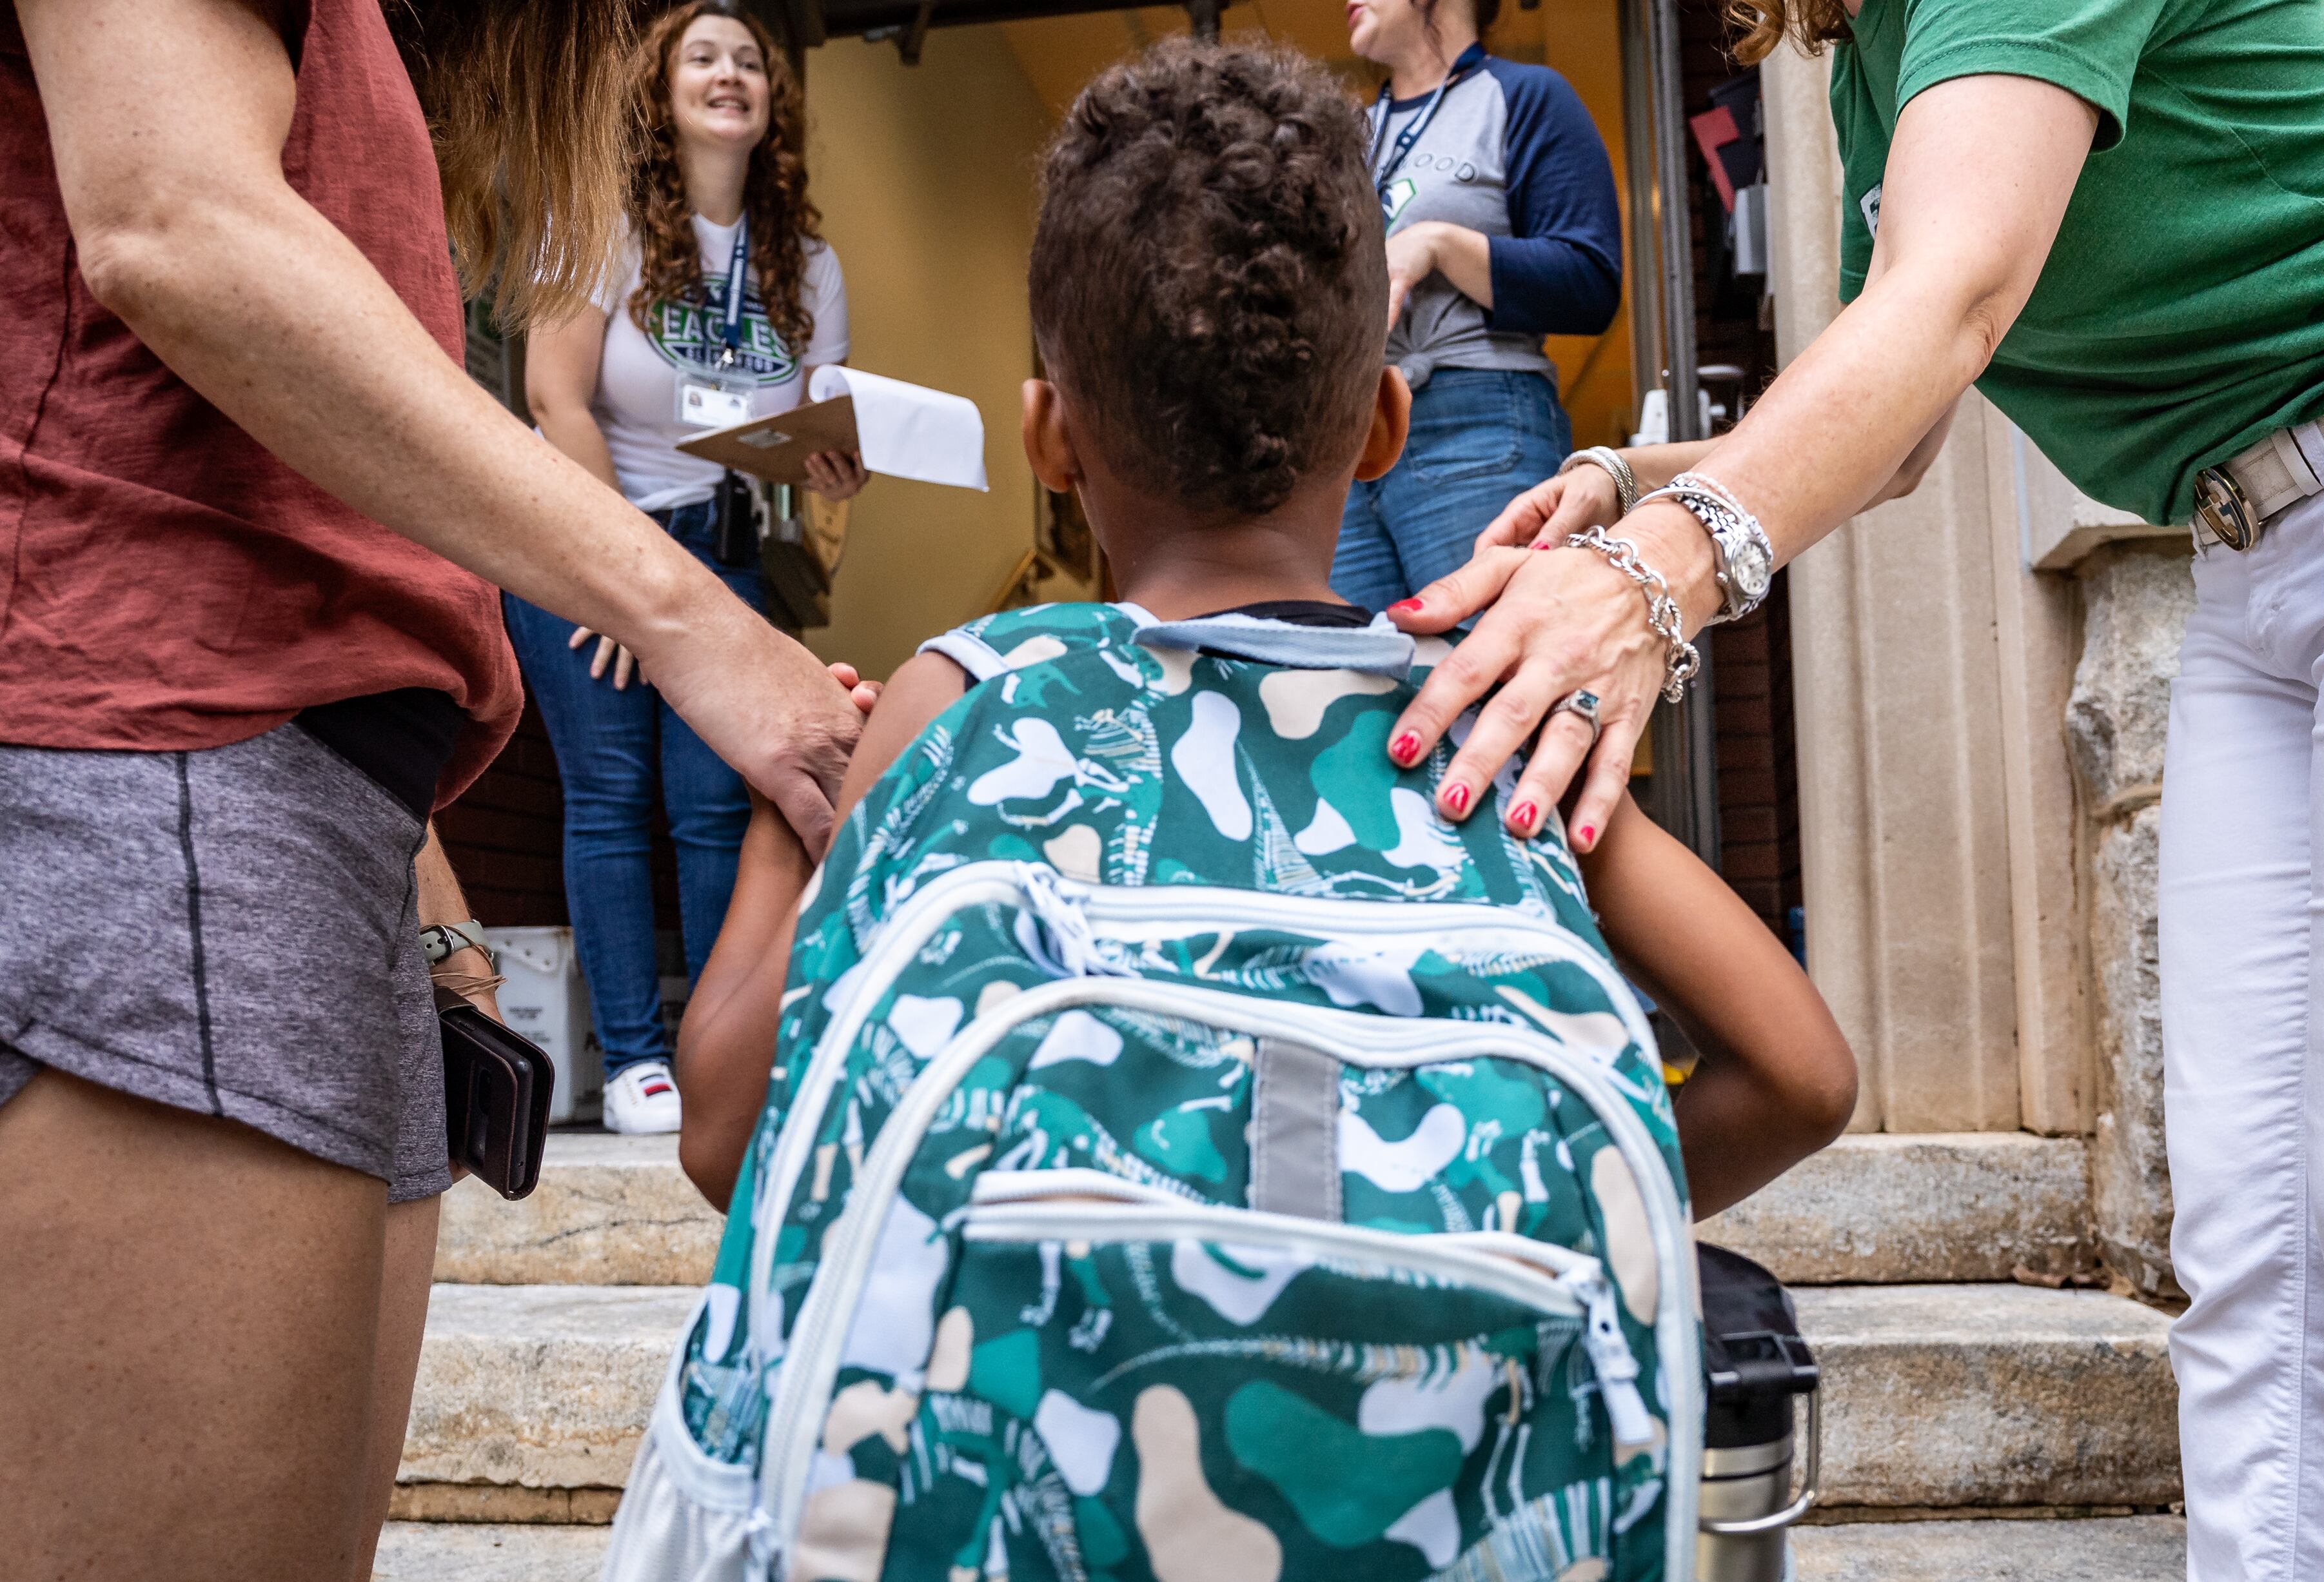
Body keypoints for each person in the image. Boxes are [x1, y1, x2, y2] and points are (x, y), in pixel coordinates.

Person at [1381, 0, 2324, 1574]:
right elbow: (1889, 425)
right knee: (2251, 1246)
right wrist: (1627, 487)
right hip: (2256, 548)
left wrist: (1654, 579)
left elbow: (1955, 298)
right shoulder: (1878, 50)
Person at [665, 40, 1855, 1232]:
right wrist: (1559, 1222)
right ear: (1386, 423)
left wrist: (789, 817)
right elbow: (1801, 1078)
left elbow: (726, 1137)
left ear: (1049, 440)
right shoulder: (1488, 719)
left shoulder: (960, 699)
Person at [0, 1, 863, 1577]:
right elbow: (171, 220)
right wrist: (691, 625)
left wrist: (425, 899)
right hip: (162, 790)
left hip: (299, 811)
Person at [521, 0, 867, 1137]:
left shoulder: (807, 266)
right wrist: (618, 568)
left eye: (750, 62)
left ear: (773, 100)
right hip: (590, 532)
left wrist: (836, 471)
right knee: (613, 798)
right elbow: (551, 397)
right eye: (702, 58)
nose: (730, 75)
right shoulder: (598, 222)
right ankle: (632, 1061)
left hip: (726, 550)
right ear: (660, 94)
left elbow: (814, 452)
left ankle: (715, 1052)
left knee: (721, 802)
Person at [1331, 0, 1621, 613]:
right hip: (1345, 441)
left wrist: (1439, 244)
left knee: (1490, 683)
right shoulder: (1345, 134)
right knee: (1352, 692)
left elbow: (1590, 281)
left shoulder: (1525, 95)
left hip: (1477, 422)